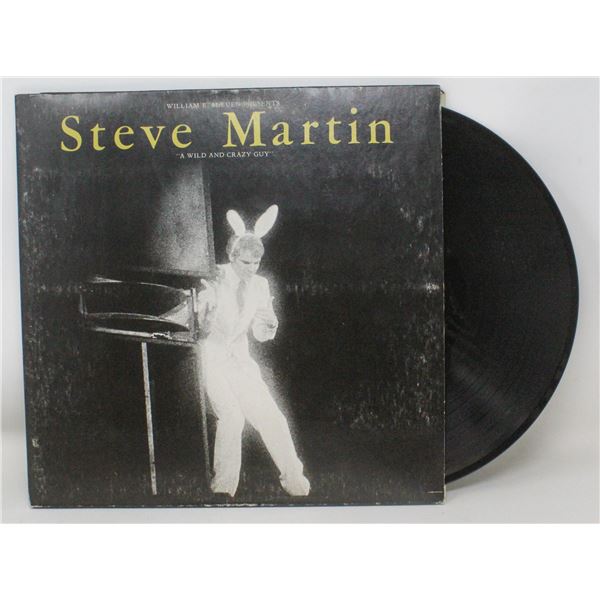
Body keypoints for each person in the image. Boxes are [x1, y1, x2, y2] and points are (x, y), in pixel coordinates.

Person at [198, 205, 310, 497]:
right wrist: (205, 312)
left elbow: (260, 334)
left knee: (272, 418)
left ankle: (296, 485)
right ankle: (223, 490)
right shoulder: (213, 276)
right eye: (246, 262)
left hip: (240, 361)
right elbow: (200, 320)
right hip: (210, 357)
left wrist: (269, 324)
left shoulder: (260, 285)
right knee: (232, 417)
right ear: (232, 256)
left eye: (257, 263)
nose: (252, 268)